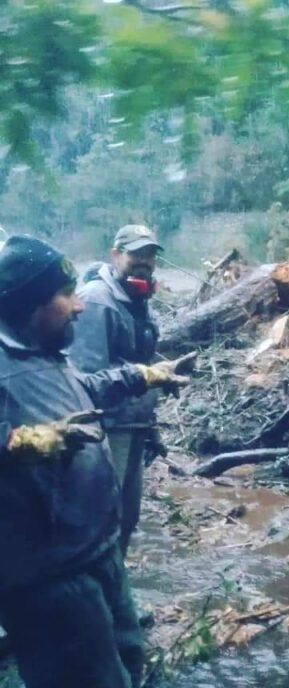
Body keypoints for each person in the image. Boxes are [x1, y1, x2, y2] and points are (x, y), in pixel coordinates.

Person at [0, 234, 190, 688]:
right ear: (30, 305)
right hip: (49, 576)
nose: (79, 306)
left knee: (128, 657)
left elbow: (86, 386)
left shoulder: (44, 352)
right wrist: (21, 442)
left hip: (98, 552)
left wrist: (143, 374)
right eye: (65, 296)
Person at [69, 224, 164, 555]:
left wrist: (152, 425)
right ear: (115, 254)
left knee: (128, 515)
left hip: (135, 422)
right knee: (104, 516)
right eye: (136, 254)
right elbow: (86, 379)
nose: (145, 262)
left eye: (150, 255)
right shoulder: (97, 301)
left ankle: (115, 592)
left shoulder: (138, 299)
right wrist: (141, 376)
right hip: (109, 427)